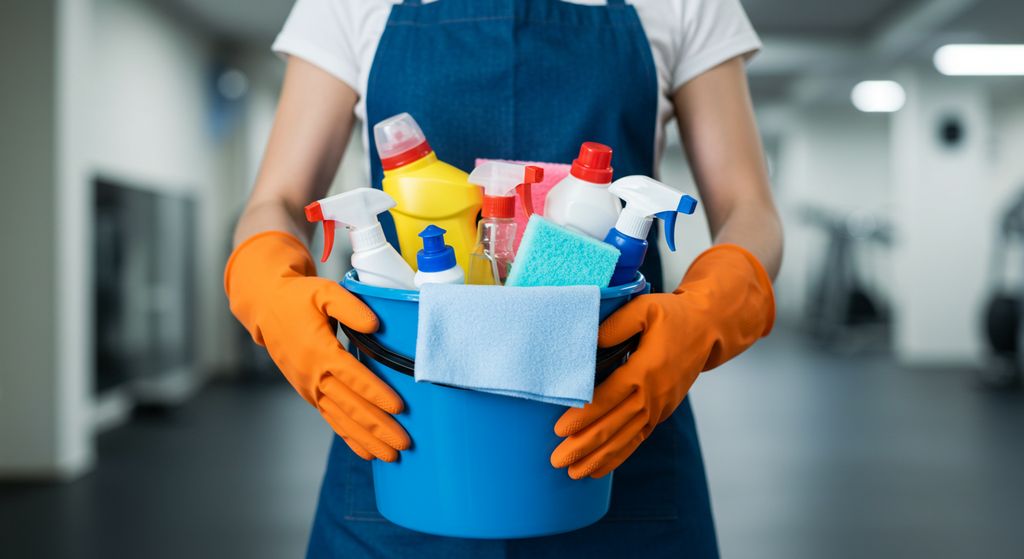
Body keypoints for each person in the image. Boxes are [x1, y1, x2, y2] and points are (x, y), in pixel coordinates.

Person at [225, 0, 782, 556]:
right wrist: (267, 281)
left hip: (617, 418)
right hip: (400, 427)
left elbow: (748, 207)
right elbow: (278, 199)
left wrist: (714, 304)